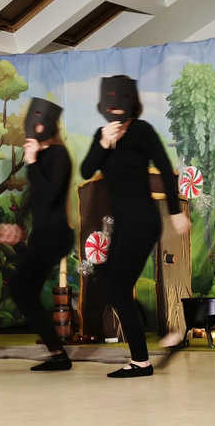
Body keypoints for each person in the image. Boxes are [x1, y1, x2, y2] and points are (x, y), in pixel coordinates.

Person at [80, 76, 190, 378]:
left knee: (117, 287)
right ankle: (164, 334)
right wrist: (103, 143)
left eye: (122, 97)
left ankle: (141, 361)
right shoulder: (102, 135)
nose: (116, 103)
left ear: (132, 100)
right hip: (123, 222)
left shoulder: (142, 131)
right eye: (110, 97)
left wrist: (175, 212)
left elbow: (165, 170)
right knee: (107, 281)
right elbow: (86, 170)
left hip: (142, 220)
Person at [0, 98, 74, 371]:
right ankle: (58, 354)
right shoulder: (44, 156)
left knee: (22, 289)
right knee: (24, 291)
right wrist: (18, 225)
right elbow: (34, 196)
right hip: (44, 234)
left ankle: (59, 355)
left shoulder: (58, 155)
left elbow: (50, 194)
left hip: (55, 234)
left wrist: (31, 162)